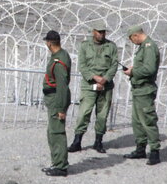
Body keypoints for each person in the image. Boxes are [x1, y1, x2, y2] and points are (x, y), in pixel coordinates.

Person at [68, 22, 119, 154]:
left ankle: (98, 141)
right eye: (99, 32)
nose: (101, 34)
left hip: (105, 86)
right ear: (93, 32)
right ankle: (77, 141)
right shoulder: (85, 46)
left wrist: (105, 78)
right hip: (89, 84)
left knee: (102, 115)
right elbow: (82, 66)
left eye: (103, 32)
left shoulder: (111, 46)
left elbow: (114, 65)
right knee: (84, 113)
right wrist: (94, 77)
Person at [123, 25, 161, 165]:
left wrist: (133, 72)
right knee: (137, 122)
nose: (132, 42)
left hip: (145, 89)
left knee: (148, 121)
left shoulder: (149, 47)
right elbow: (144, 66)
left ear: (135, 36)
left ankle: (155, 151)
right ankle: (140, 149)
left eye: (131, 39)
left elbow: (150, 69)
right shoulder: (144, 47)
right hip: (139, 90)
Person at [41, 30, 71, 177]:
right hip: (53, 99)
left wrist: (61, 108)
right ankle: (56, 162)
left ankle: (61, 166)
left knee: (57, 133)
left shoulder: (59, 61)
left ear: (49, 43)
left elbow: (62, 86)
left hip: (56, 100)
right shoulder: (59, 56)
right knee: (52, 132)